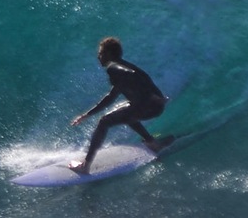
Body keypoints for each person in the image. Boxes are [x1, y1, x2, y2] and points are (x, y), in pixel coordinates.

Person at [69, 37, 171, 173]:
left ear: (109, 54)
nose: (98, 57)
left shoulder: (114, 68)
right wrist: (87, 115)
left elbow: (135, 76)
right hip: (151, 107)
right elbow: (111, 97)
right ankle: (152, 143)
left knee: (104, 121)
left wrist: (155, 97)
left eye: (101, 53)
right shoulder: (122, 67)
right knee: (124, 111)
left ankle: (85, 166)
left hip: (150, 106)